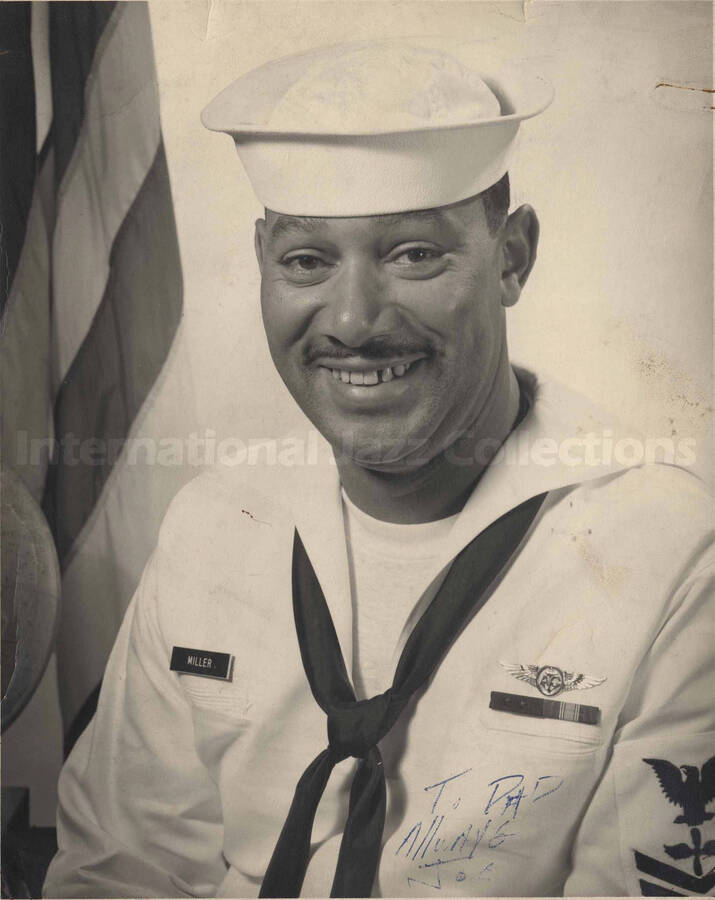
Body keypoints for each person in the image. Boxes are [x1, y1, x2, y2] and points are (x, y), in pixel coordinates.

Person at [44, 42, 713, 898]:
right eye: (306, 261)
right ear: (261, 263)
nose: (354, 321)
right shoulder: (214, 525)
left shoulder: (666, 553)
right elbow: (121, 871)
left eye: (413, 255)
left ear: (511, 257)